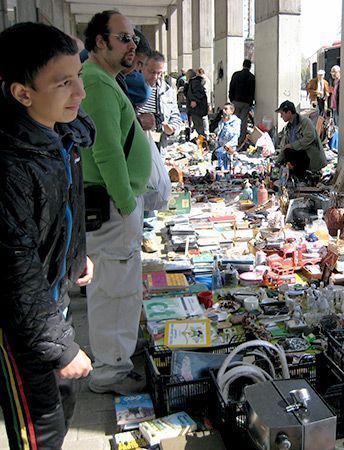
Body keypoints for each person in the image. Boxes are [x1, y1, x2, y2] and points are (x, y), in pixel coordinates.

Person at [0, 22, 94, 449]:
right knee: (41, 430)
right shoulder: (10, 162)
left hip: (52, 303)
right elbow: (15, 264)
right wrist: (58, 347)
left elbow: (63, 215)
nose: (80, 93)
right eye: (64, 83)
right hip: (18, 325)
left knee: (65, 404)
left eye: (79, 77)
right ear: (23, 93)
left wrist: (76, 256)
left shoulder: (60, 136)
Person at [81, 10, 151, 395]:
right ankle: (110, 370)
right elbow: (106, 151)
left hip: (112, 205)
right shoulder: (97, 82)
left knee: (117, 286)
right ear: (99, 42)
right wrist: (126, 203)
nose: (132, 45)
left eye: (133, 38)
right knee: (114, 289)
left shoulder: (102, 80)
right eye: (123, 38)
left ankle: (116, 353)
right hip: (112, 206)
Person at [137, 50, 183, 149]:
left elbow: (175, 117)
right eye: (152, 72)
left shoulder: (167, 90)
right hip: (136, 142)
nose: (155, 77)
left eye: (159, 73)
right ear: (142, 67)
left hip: (158, 145)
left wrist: (171, 129)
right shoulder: (132, 88)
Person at [277, 100, 327, 178]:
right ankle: (297, 176)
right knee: (287, 152)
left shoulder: (305, 122)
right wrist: (277, 162)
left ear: (289, 113)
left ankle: (304, 176)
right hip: (298, 156)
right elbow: (285, 147)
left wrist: (292, 145)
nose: (281, 116)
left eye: (282, 114)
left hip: (308, 155)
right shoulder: (288, 128)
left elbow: (309, 138)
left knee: (290, 150)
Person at [229, 59, 255, 145]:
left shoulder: (236, 75)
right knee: (243, 123)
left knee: (234, 121)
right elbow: (252, 91)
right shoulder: (252, 77)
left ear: (243, 65)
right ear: (250, 66)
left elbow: (231, 87)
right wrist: (250, 103)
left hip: (236, 101)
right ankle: (241, 141)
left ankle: (233, 139)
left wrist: (231, 99)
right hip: (246, 103)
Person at [213, 102, 241, 170]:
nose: (223, 111)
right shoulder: (222, 121)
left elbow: (233, 135)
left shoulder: (236, 121)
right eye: (223, 109)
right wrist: (215, 134)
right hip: (220, 146)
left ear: (231, 111)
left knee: (225, 166)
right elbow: (218, 131)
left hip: (229, 147)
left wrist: (226, 123)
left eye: (226, 109)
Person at [186, 68, 209, 139]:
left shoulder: (194, 82)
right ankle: (202, 141)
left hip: (197, 108)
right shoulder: (194, 82)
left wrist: (194, 100)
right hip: (196, 108)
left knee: (199, 126)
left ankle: (203, 143)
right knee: (198, 125)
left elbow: (198, 93)